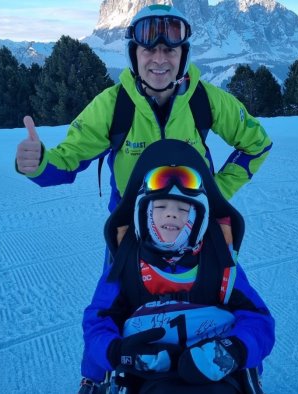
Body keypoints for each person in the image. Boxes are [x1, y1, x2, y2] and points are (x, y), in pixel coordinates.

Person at [16, 4, 272, 213]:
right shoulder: (111, 105)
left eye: (170, 50)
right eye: (149, 49)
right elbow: (68, 160)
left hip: (195, 220)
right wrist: (39, 163)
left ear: (183, 56)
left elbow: (257, 144)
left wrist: (217, 192)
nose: (159, 59)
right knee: (113, 280)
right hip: (129, 228)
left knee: (231, 279)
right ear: (133, 54)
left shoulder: (206, 99)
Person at [79, 140, 275, 393]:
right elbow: (97, 321)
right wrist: (118, 353)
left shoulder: (220, 263)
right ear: (142, 214)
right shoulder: (126, 265)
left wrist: (232, 351)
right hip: (145, 373)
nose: (171, 214)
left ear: (200, 218)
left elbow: (259, 321)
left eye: (183, 209)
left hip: (213, 372)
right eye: (160, 207)